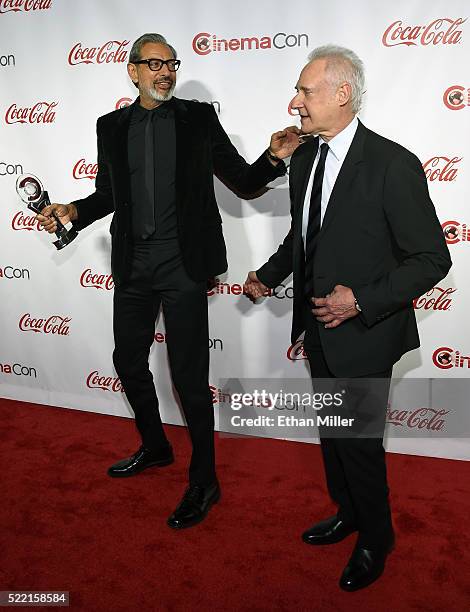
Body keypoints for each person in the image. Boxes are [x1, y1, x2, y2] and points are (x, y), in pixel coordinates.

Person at [36, 32, 298, 530]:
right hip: (134, 266)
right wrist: (73, 209)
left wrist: (275, 158)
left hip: (182, 266)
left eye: (171, 63)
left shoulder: (197, 118)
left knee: (189, 380)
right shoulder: (110, 126)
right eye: (154, 63)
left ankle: (205, 481)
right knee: (127, 361)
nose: (165, 72)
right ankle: (156, 446)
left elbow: (242, 182)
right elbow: (108, 194)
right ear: (132, 71)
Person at [244, 45, 451, 590]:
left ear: (342, 94)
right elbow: (304, 239)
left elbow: (433, 259)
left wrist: (359, 298)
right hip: (317, 327)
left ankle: (377, 536)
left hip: (364, 331)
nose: (295, 102)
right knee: (335, 438)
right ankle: (350, 513)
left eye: (305, 91)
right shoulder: (307, 159)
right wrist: (268, 275)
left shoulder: (392, 163)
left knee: (358, 442)